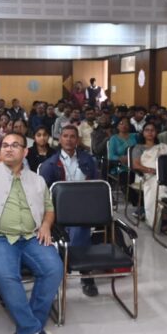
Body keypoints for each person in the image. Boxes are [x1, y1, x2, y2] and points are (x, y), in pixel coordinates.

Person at [0, 132, 61, 334]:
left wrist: (46, 225)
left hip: (32, 236)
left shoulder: (37, 179)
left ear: (25, 152)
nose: (8, 149)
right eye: (4, 145)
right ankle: (35, 333)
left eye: (15, 145)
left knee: (54, 268)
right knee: (6, 275)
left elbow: (49, 207)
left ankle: (26, 332)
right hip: (0, 238)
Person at [39, 125, 100, 296]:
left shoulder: (88, 160)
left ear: (78, 140)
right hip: (58, 210)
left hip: (84, 208)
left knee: (80, 226)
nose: (68, 139)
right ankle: (83, 271)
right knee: (79, 229)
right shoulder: (50, 164)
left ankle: (72, 267)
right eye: (65, 136)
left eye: (72, 136)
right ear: (60, 139)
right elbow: (42, 193)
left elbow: (97, 186)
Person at [130, 122, 167, 227]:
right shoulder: (139, 148)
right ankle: (159, 219)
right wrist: (152, 170)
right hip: (145, 176)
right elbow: (136, 165)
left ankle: (161, 216)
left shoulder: (163, 148)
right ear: (143, 133)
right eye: (147, 130)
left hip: (163, 175)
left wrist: (161, 172)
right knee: (159, 185)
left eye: (152, 130)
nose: (150, 132)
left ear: (156, 133)